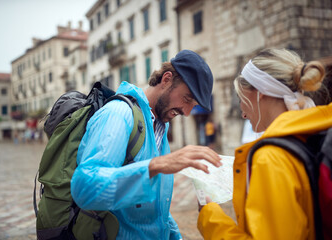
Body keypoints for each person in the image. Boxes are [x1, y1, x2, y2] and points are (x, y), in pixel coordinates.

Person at [71, 49, 222, 239]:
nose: (187, 112)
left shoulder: (160, 126)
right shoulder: (118, 114)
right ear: (166, 79)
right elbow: (85, 189)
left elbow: (157, 212)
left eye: (194, 105)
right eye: (187, 99)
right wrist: (156, 165)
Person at [197, 48, 332, 239]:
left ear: (260, 93)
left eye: (241, 99)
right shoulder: (316, 130)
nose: (243, 113)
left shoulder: (271, 157)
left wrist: (210, 217)